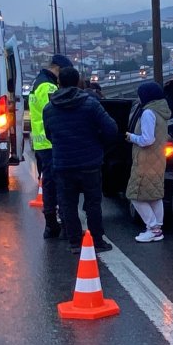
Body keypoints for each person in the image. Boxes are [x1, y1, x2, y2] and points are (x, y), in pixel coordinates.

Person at [42, 66, 119, 253]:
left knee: (68, 204)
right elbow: (112, 129)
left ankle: (75, 242)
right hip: (90, 162)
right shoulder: (91, 104)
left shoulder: (49, 108)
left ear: (59, 83)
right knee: (93, 203)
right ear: (78, 82)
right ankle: (97, 241)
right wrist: (100, 146)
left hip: (63, 163)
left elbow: (49, 135)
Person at [28, 54, 71, 239]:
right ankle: (54, 225)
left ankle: (52, 224)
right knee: (55, 185)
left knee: (48, 183)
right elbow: (56, 113)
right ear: (58, 69)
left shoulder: (39, 82)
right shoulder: (48, 86)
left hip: (42, 143)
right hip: (50, 143)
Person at [125, 81, 171, 242]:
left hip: (146, 160)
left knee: (134, 195)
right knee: (155, 195)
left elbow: (147, 139)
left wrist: (131, 137)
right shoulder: (162, 111)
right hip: (158, 159)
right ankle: (157, 227)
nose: (138, 97)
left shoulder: (148, 113)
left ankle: (152, 228)